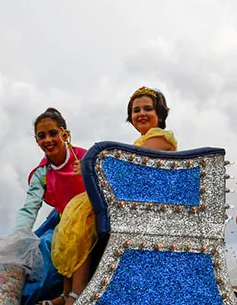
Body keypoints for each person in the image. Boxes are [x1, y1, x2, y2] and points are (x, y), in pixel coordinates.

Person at [51, 88, 176, 304]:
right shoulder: (144, 140)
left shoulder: (160, 138)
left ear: (161, 115)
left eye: (148, 108)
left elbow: (134, 165)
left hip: (149, 203)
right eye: (136, 110)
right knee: (70, 217)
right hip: (134, 199)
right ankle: (66, 291)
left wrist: (95, 165)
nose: (141, 114)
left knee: (82, 218)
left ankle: (77, 291)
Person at [17, 108, 89, 305]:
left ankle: (70, 293)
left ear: (64, 134)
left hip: (89, 217)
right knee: (36, 246)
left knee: (53, 243)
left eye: (53, 133)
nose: (47, 140)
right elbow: (30, 207)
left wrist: (89, 172)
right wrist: (18, 235)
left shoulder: (85, 158)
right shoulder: (42, 173)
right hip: (61, 219)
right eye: (41, 136)